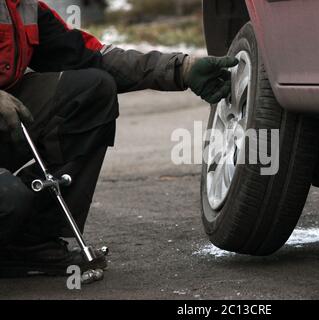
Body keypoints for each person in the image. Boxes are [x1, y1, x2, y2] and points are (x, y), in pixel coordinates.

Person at [0, 0, 237, 276]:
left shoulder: (23, 7)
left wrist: (181, 69)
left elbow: (93, 56)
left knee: (92, 90)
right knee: (7, 200)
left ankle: (29, 243)